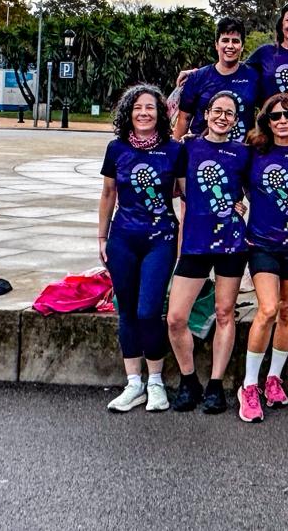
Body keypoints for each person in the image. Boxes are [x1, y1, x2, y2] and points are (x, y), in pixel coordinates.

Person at [97, 84, 184, 413]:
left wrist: (230, 204)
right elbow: (108, 194)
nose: (144, 113)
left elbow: (186, 193)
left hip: (160, 239)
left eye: (150, 107)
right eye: (138, 108)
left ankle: (157, 381)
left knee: (149, 311)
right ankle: (134, 383)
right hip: (123, 239)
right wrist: (102, 237)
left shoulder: (173, 150)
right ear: (128, 113)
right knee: (127, 311)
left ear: (161, 113)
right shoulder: (116, 148)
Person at [166, 92, 251, 414]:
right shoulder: (187, 148)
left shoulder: (243, 152)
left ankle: (216, 384)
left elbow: (252, 189)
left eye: (229, 113)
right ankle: (189, 379)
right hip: (196, 243)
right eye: (218, 111)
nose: (223, 117)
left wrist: (241, 205)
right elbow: (175, 186)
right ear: (207, 113)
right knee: (176, 318)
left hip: (231, 242)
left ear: (236, 118)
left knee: (225, 312)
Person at [240, 93, 288, 422]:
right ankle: (248, 385)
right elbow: (235, 184)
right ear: (266, 121)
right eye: (275, 116)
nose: (282, 121)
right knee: (268, 308)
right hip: (262, 243)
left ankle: (274, 378)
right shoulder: (253, 153)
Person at [173, 18, 260, 142]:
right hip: (201, 155)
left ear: (242, 46)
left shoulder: (254, 76)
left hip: (241, 155)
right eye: (225, 40)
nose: (230, 46)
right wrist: (175, 154)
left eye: (235, 41)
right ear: (216, 44)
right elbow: (184, 119)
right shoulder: (197, 78)